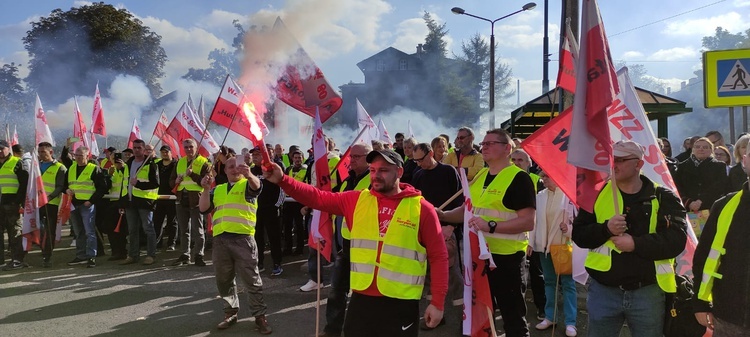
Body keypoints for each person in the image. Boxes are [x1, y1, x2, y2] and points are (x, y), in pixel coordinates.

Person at [265, 148, 448, 337]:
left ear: (399, 172)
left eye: (383, 170)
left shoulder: (422, 209)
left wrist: (438, 302)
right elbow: (318, 198)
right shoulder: (357, 199)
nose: (376, 175)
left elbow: (439, 257)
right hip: (362, 298)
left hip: (402, 302)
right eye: (373, 170)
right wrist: (282, 180)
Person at [572, 140, 687, 337]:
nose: (613, 164)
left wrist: (635, 244)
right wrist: (605, 229)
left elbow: (676, 240)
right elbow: (579, 236)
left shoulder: (663, 196)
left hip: (648, 292)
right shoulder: (596, 194)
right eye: (611, 159)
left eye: (621, 160)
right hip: (603, 291)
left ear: (639, 164)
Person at [438, 128, 536, 337]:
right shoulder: (482, 174)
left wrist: (491, 226)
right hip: (479, 258)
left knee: (513, 319)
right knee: (482, 315)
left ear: (507, 148)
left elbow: (528, 222)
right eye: (484, 143)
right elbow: (468, 210)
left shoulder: (519, 178)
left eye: (491, 143)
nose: (485, 147)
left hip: (506, 258)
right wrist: (442, 215)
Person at [198, 157, 272, 334]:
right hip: (221, 240)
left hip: (243, 240)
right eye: (230, 167)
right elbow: (203, 209)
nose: (234, 170)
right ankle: (230, 313)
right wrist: (206, 189)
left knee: (251, 280)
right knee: (224, 280)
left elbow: (257, 187)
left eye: (236, 166)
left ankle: (260, 317)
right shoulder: (218, 189)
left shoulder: (247, 184)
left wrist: (249, 174)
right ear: (224, 170)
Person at [692, 143, 750, 335]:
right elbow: (703, 257)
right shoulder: (724, 205)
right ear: (744, 160)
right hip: (729, 315)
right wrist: (700, 303)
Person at [319, 142, 372, 337]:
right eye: (352, 156)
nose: (352, 160)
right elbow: (333, 201)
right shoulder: (346, 181)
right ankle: (332, 330)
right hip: (346, 246)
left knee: (362, 295)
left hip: (367, 248)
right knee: (336, 292)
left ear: (369, 158)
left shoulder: (373, 181)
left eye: (357, 156)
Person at [410, 142, 464, 331]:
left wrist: (452, 225)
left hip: (448, 230)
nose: (419, 164)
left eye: (422, 159)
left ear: (431, 153)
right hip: (427, 233)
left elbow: (459, 201)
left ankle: (463, 319)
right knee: (429, 276)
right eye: (415, 161)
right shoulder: (418, 175)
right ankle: (435, 316)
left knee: (455, 276)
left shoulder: (448, 171)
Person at [530, 171, 578, 336]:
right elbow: (534, 221)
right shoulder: (540, 196)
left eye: (546, 176)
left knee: (568, 284)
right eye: (542, 176)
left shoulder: (568, 196)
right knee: (549, 282)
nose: (543, 179)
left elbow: (577, 221)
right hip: (543, 246)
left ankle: (571, 322)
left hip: (562, 245)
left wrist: (569, 229)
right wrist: (531, 242)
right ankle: (550, 316)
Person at [65, 146, 109, 268]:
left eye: (80, 156)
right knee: (79, 232)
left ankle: (91, 256)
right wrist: (66, 190)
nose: (78, 158)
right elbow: (65, 185)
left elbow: (102, 187)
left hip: (87, 205)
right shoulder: (71, 168)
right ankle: (81, 256)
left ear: (87, 156)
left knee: (90, 232)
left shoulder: (94, 169)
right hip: (74, 204)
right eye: (76, 155)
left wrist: (91, 201)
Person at [171, 139, 212, 266]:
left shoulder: (204, 162)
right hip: (181, 198)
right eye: (186, 147)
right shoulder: (180, 162)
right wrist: (176, 181)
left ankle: (199, 255)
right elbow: (171, 181)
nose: (188, 149)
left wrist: (192, 174)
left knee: (198, 230)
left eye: (191, 147)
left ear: (196, 147)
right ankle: (185, 255)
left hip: (196, 200)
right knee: (184, 230)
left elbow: (205, 182)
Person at [120, 139, 160, 266]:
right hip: (130, 201)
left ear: (144, 149)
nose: (136, 150)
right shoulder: (129, 163)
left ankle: (150, 255)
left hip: (145, 201)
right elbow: (124, 183)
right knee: (132, 230)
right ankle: (133, 255)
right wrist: (122, 202)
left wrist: (139, 184)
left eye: (139, 148)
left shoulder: (151, 164)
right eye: (134, 147)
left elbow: (155, 183)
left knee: (148, 229)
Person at [249, 147, 285, 275]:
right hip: (256, 210)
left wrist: (276, 205)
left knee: (274, 237)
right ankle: (259, 262)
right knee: (257, 237)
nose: (255, 157)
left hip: (272, 209)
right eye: (253, 155)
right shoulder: (252, 170)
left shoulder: (273, 167)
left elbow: (282, 187)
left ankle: (277, 263)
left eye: (258, 154)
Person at [675, 137, 730, 214]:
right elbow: (677, 187)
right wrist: (689, 202)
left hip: (711, 208)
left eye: (705, 147)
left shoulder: (719, 166)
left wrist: (701, 200)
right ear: (693, 149)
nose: (701, 149)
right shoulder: (682, 166)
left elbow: (720, 186)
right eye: (697, 147)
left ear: (711, 150)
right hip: (687, 209)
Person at [0, 140, 29, 270]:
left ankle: (17, 260)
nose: (0, 151)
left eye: (2, 149)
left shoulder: (17, 162)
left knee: (15, 233)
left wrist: (17, 201)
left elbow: (24, 184)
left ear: (8, 149)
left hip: (11, 204)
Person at [37, 142, 67, 268]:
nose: (41, 154)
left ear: (51, 152)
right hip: (36, 204)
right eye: (39, 152)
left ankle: (47, 256)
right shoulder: (36, 166)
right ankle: (42, 250)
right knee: (39, 229)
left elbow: (60, 186)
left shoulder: (60, 167)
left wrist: (48, 198)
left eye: (43, 152)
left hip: (51, 204)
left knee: (50, 231)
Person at [98, 150, 128, 262]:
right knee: (110, 228)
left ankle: (123, 251)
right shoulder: (109, 171)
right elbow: (105, 187)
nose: (115, 159)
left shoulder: (127, 169)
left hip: (124, 202)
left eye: (118, 157)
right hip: (111, 202)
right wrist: (108, 175)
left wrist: (122, 168)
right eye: (113, 157)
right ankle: (116, 252)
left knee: (123, 230)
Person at [282, 149, 307, 256]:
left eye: (299, 158)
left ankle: (299, 249)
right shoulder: (288, 169)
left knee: (299, 227)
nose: (297, 160)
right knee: (287, 226)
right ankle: (288, 248)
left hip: (299, 202)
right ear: (292, 159)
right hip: (288, 201)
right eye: (295, 158)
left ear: (302, 158)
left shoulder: (306, 170)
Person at [154, 145, 178, 250]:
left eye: (166, 152)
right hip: (158, 196)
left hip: (172, 196)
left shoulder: (175, 164)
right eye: (162, 152)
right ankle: (157, 243)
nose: (164, 153)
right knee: (158, 221)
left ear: (171, 152)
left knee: (172, 221)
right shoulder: (157, 165)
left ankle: (171, 243)